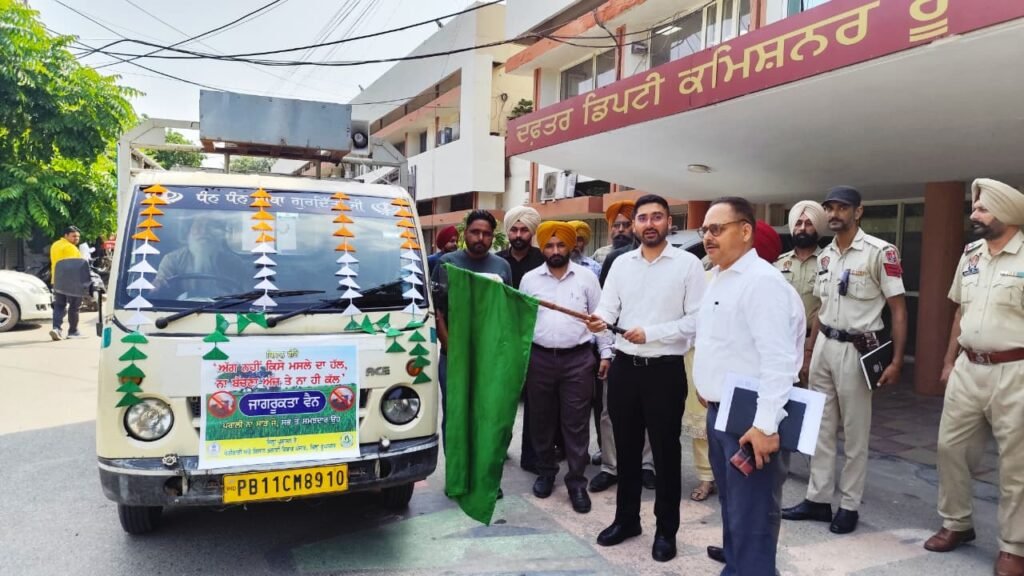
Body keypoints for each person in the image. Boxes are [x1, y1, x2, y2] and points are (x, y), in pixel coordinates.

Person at [782, 185, 907, 535]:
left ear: (858, 211)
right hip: (824, 344)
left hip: (857, 348)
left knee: (854, 432)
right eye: (831, 208)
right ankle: (818, 499)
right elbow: (821, 308)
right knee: (820, 428)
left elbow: (898, 309)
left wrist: (897, 359)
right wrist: (808, 351)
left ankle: (849, 504)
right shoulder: (826, 256)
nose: (835, 214)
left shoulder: (881, 253)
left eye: (842, 208)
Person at [586, 194, 705, 562]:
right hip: (624, 369)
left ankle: (666, 530)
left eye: (657, 217)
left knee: (667, 454)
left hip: (665, 371)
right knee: (625, 449)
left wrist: (650, 333)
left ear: (670, 222)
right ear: (634, 224)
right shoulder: (620, 264)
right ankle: (627, 520)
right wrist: (598, 321)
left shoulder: (689, 265)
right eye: (643, 218)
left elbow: (696, 320)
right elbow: (608, 308)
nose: (649, 224)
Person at [695, 197, 804, 575]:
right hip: (720, 412)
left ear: (745, 231)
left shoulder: (762, 283)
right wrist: (706, 384)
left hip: (751, 422)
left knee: (754, 516)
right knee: (733, 510)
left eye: (717, 228)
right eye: (705, 230)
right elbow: (721, 342)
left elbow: (778, 360)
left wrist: (766, 424)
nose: (708, 237)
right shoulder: (722, 277)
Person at [924, 178, 1024, 576]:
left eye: (982, 208)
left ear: (1008, 214)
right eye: (975, 207)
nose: (974, 214)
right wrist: (949, 362)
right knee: (950, 450)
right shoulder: (970, 254)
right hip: (969, 367)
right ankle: (956, 524)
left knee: (1016, 464)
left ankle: (1014, 546)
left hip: (1015, 371)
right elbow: (959, 314)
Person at [520, 221, 613, 514]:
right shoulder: (529, 280)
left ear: (571, 246)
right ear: (543, 247)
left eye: (561, 245)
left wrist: (606, 353)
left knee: (576, 423)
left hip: (578, 360)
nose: (556, 250)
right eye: (549, 245)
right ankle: (546, 472)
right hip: (540, 359)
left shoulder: (587, 278)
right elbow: (522, 323)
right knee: (541, 420)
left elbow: (600, 320)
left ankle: (576, 482)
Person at [430, 210, 512, 495]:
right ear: (465, 233)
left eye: (487, 234)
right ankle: (457, 478)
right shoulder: (447, 263)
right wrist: (453, 351)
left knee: (487, 418)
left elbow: (506, 313)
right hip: (454, 357)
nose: (481, 238)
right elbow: (438, 312)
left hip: (489, 359)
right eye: (476, 232)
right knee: (456, 417)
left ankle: (486, 479)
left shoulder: (502, 267)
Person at [495, 206, 546, 474]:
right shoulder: (496, 261)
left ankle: (533, 456)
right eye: (514, 229)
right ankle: (498, 447)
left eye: (524, 229)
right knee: (502, 399)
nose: (518, 234)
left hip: (535, 340)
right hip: (502, 342)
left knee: (535, 403)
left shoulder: (542, 260)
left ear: (532, 232)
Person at [774, 201, 827, 386]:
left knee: (814, 401)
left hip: (816, 342)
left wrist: (808, 352)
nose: (802, 228)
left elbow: (826, 307)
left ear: (818, 228)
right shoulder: (778, 263)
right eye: (798, 223)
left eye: (808, 223)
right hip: (782, 342)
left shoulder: (829, 262)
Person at [153, 214, 251, 297]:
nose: (203, 232)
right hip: (180, 312)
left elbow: (246, 294)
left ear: (219, 234)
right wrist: (158, 285)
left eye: (209, 227)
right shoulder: (172, 259)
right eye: (198, 226)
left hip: (224, 312)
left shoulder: (234, 263)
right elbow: (160, 287)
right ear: (189, 232)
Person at [49, 226, 84, 341]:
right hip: (72, 282)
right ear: (66, 235)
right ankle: (73, 331)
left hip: (57, 281)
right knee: (74, 307)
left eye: (78, 236)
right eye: (73, 236)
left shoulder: (55, 245)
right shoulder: (71, 248)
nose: (76, 238)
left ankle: (56, 328)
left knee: (59, 306)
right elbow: (76, 267)